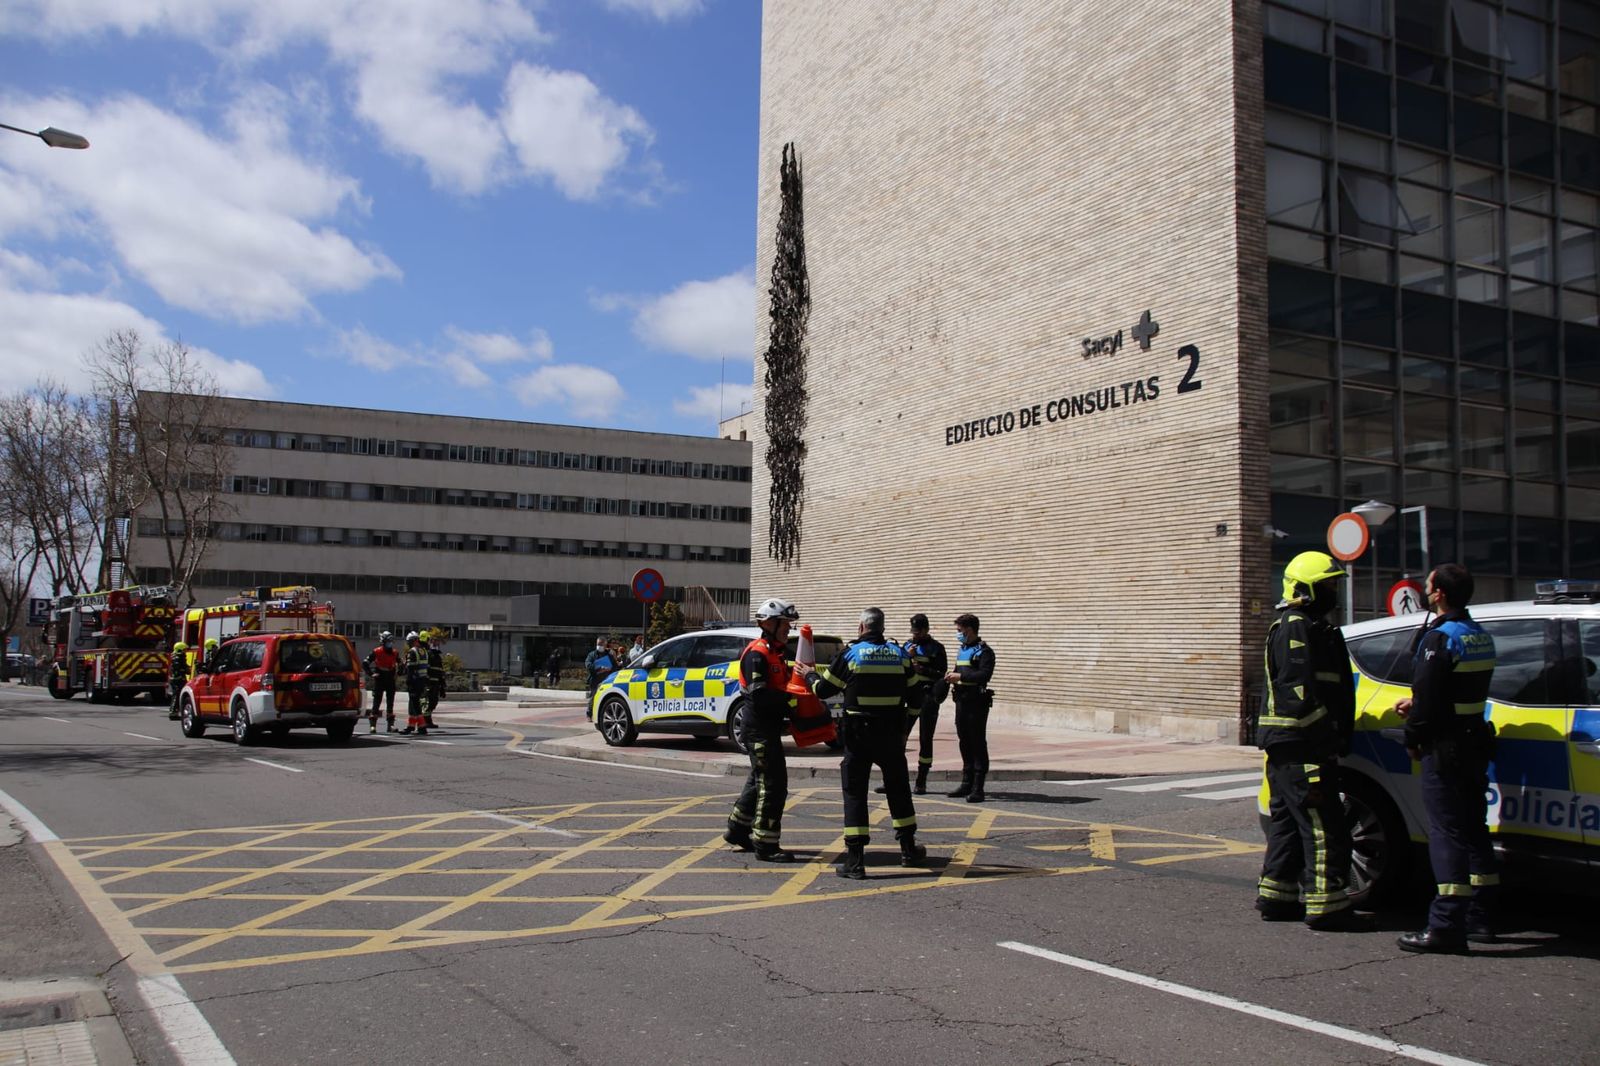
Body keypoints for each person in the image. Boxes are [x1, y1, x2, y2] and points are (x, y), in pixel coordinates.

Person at [1255, 551, 1362, 931]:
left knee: (1286, 821)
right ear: (1304, 588)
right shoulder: (1296, 626)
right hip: (1302, 743)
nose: (1332, 591)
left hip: (1290, 743)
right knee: (1321, 823)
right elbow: (1297, 694)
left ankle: (1277, 895)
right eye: (1327, 585)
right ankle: (1328, 904)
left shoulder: (1311, 627)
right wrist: (1328, 738)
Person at [1395, 564, 1499, 955]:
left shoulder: (1440, 638)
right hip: (1474, 743)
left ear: (1438, 594)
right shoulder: (1479, 636)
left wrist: (1412, 737)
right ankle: (1482, 918)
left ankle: (1445, 925)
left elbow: (1429, 699)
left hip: (1445, 747)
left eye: (1428, 585)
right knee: (1474, 830)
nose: (1424, 589)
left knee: (1447, 833)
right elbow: (1454, 692)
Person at [806, 607, 926, 879]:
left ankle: (855, 861)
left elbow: (823, 691)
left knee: (855, 793)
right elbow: (917, 699)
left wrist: (808, 675)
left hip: (859, 736)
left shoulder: (851, 654)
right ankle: (908, 850)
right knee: (899, 791)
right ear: (881, 627)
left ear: (862, 627)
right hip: (892, 734)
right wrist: (905, 729)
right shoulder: (900, 656)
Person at [724, 597, 801, 863]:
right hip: (758, 730)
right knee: (773, 786)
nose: (788, 629)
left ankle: (737, 830)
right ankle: (766, 844)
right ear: (769, 623)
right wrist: (790, 702)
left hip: (766, 728)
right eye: (785, 624)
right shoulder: (757, 654)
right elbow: (760, 696)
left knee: (757, 783)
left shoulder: (775, 652)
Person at [943, 613, 996, 802]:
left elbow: (984, 675)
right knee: (964, 741)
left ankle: (978, 787)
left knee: (977, 742)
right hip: (962, 701)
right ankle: (966, 782)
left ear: (970, 630)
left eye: (959, 630)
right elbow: (960, 670)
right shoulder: (963, 649)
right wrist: (952, 676)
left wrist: (961, 677)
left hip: (976, 702)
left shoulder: (984, 652)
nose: (958, 634)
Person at [902, 613, 949, 796]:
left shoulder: (936, 648)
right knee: (901, 737)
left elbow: (941, 673)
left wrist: (921, 668)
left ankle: (921, 780)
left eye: (918, 631)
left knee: (925, 739)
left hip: (928, 697)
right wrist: (907, 656)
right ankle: (895, 778)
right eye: (913, 631)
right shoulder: (907, 646)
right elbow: (898, 666)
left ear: (926, 630)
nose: (915, 635)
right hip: (909, 697)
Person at [363, 631, 399, 733]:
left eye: (391, 641)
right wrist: (371, 674)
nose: (390, 643)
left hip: (390, 677)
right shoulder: (377, 651)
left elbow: (400, 663)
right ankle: (373, 725)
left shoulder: (395, 652)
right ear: (383, 641)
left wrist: (399, 671)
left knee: (390, 702)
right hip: (380, 677)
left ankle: (390, 725)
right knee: (377, 701)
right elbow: (365, 663)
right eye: (388, 641)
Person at [400, 631, 430, 736]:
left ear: (414, 641)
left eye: (409, 642)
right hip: (422, 680)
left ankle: (422, 727)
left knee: (415, 704)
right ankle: (411, 726)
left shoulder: (412, 652)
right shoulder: (424, 651)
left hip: (414, 681)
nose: (408, 644)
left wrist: (408, 681)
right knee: (413, 704)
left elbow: (410, 668)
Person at [423, 632, 445, 731]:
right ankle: (425, 720)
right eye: (434, 641)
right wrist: (427, 681)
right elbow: (425, 668)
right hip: (429, 683)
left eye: (437, 641)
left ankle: (428, 719)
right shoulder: (428, 654)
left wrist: (442, 686)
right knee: (427, 702)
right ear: (430, 642)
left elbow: (440, 671)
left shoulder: (438, 656)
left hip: (436, 683)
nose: (436, 643)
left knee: (434, 702)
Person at [584, 638, 616, 704]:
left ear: (605, 645)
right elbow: (588, 665)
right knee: (593, 699)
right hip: (594, 681)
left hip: (606, 681)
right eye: (598, 644)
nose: (599, 646)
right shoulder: (592, 655)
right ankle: (590, 712)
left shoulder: (609, 656)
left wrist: (610, 669)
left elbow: (615, 667)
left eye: (601, 644)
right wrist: (599, 668)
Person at [166, 641, 189, 720]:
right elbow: (178, 668)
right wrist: (185, 670)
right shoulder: (178, 657)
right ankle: (173, 713)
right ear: (180, 650)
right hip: (178, 679)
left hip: (177, 678)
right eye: (184, 649)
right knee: (176, 695)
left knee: (178, 695)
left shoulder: (178, 656)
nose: (185, 651)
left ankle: (175, 712)